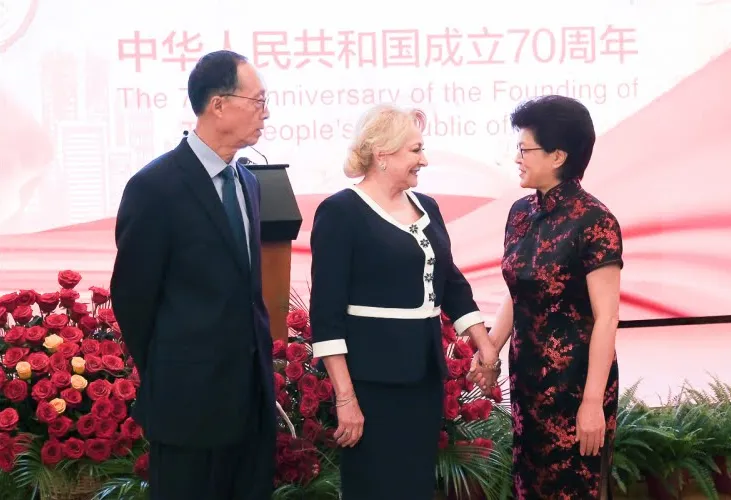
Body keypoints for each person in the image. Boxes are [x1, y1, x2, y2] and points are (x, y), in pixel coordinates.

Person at [309, 104, 501, 500]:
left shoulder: (426, 206)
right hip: (370, 384)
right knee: (374, 486)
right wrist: (345, 398)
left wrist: (485, 345)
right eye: (415, 150)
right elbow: (326, 314)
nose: (424, 160)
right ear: (383, 154)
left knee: (414, 486)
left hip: (424, 379)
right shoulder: (340, 212)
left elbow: (450, 281)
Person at [110, 50, 276, 500]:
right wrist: (172, 372)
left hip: (250, 403)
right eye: (258, 101)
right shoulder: (156, 186)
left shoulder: (249, 182)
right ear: (219, 105)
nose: (266, 113)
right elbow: (132, 298)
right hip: (187, 406)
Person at [471, 95, 623, 499]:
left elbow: (607, 318)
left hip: (576, 386)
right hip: (528, 382)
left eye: (525, 149)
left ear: (557, 155)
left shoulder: (595, 220)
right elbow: (518, 293)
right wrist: (489, 350)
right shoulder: (520, 213)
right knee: (530, 486)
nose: (517, 157)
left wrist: (592, 402)